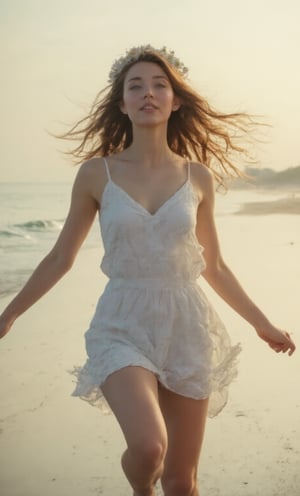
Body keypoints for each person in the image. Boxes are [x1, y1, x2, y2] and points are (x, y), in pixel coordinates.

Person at [0, 45, 296, 496]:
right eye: (134, 86)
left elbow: (213, 265)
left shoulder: (198, 177)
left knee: (180, 483)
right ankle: (141, 490)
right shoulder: (96, 174)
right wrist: (9, 314)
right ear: (122, 104)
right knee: (149, 448)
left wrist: (262, 323)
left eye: (160, 85)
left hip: (186, 324)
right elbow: (61, 257)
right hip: (122, 322)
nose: (148, 93)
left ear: (176, 101)